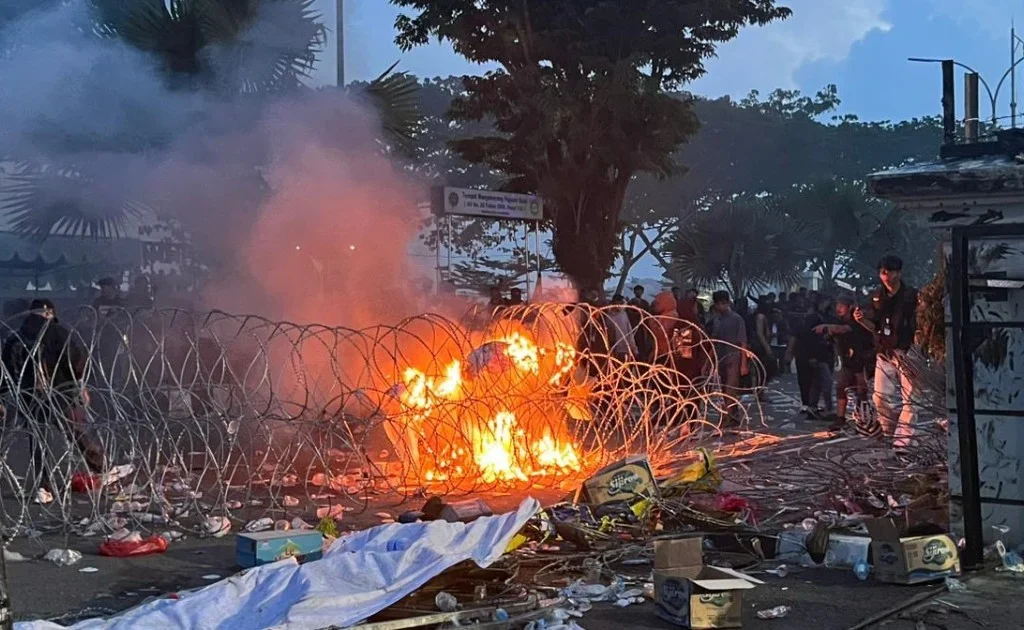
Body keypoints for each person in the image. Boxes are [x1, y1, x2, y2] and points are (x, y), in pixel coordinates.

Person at [1, 299, 106, 505]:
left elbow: (6, 371)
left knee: (38, 441)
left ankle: (44, 485)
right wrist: (79, 386)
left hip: (29, 398)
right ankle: (99, 466)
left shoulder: (16, 337)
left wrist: (3, 396)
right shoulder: (58, 332)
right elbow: (74, 359)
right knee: (74, 431)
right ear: (48, 313)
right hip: (59, 395)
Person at [855, 255, 919, 449]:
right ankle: (889, 432)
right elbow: (874, 326)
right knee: (880, 397)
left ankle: (903, 441)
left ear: (899, 273)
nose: (885, 275)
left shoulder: (911, 296)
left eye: (889, 271)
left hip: (907, 351)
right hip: (884, 352)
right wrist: (860, 320)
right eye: (882, 272)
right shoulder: (876, 297)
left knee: (911, 399)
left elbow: (920, 325)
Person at [815, 295, 874, 428]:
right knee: (841, 387)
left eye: (842, 306)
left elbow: (845, 329)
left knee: (861, 390)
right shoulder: (838, 320)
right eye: (838, 305)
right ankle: (840, 418)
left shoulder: (857, 320)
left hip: (861, 358)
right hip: (847, 359)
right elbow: (835, 333)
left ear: (850, 307)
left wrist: (827, 326)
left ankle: (863, 418)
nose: (838, 309)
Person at [708, 291, 749, 421]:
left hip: (734, 357)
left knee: (730, 389)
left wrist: (743, 364)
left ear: (727, 303)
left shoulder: (737, 319)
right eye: (718, 305)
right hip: (721, 358)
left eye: (722, 304)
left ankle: (726, 418)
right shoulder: (717, 320)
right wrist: (708, 362)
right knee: (725, 388)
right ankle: (734, 415)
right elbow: (714, 342)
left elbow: (743, 342)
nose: (720, 307)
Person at [605, 295, 637, 361]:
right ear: (613, 303)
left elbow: (629, 331)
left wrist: (634, 348)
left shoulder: (623, 314)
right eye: (616, 303)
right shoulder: (608, 316)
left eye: (620, 303)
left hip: (625, 348)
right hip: (613, 349)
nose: (618, 305)